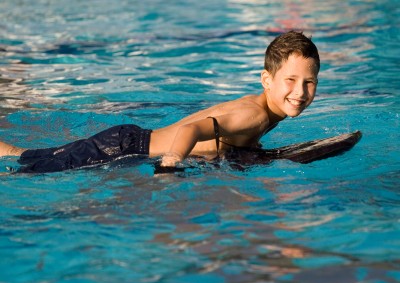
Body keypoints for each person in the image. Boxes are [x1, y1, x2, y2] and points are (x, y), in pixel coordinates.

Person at [0, 31, 320, 173]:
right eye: (290, 81)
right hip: (126, 150)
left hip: (128, 140)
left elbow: (222, 138)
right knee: (25, 171)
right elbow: (192, 131)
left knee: (24, 156)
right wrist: (169, 172)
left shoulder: (260, 110)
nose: (300, 92)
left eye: (309, 82)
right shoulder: (256, 116)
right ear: (267, 81)